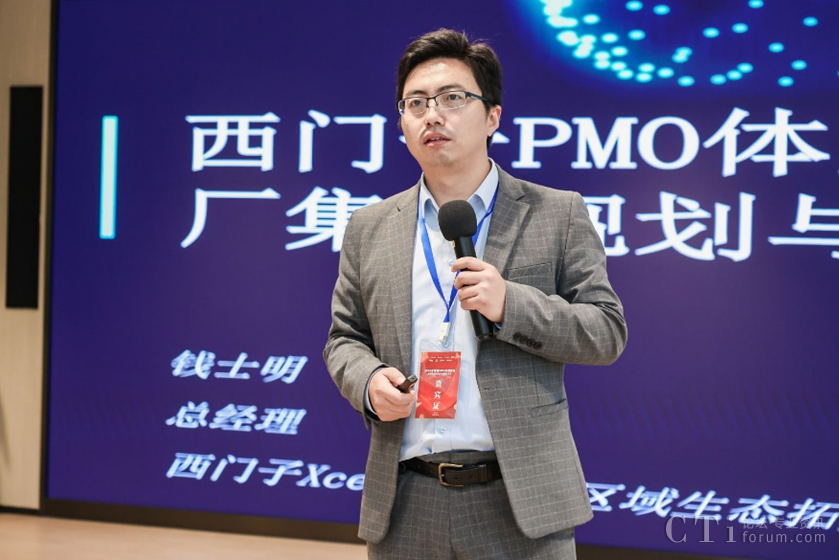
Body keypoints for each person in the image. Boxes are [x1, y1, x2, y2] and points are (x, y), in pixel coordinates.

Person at [324, 28, 627, 560]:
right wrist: (367, 382)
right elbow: (344, 339)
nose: (432, 115)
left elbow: (606, 331)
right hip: (407, 499)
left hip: (519, 501)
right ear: (402, 122)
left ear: (492, 116)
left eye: (452, 98)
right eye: (416, 103)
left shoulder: (556, 212)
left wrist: (511, 304)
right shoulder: (370, 226)